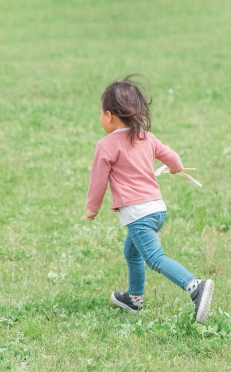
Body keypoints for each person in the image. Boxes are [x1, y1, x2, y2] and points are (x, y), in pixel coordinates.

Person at [85, 74, 214, 323]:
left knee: (154, 258)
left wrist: (92, 208)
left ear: (109, 115)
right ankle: (133, 299)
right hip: (157, 210)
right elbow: (174, 159)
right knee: (132, 253)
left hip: (138, 214)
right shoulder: (147, 137)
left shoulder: (106, 145)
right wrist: (176, 168)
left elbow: (98, 181)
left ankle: (195, 285)